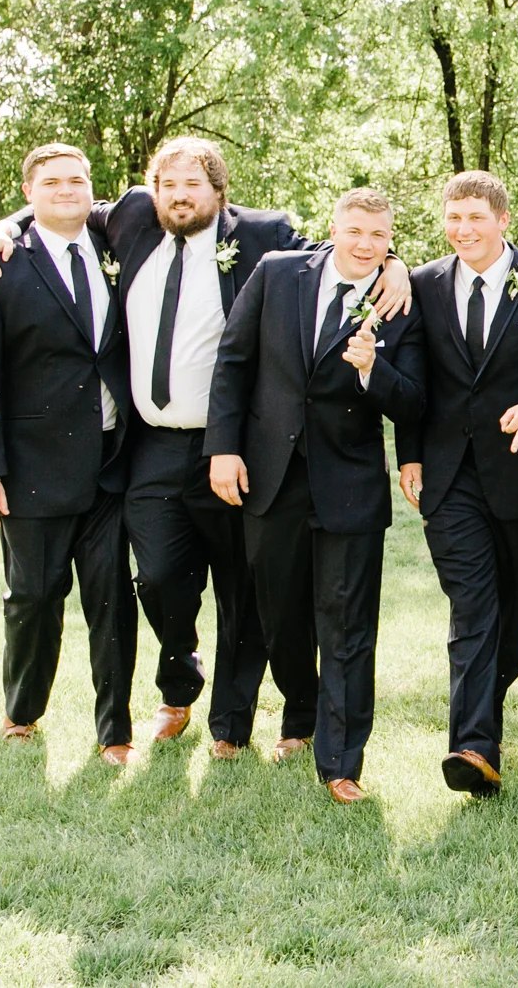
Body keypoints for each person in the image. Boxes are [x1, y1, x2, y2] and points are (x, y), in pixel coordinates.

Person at [0, 138, 411, 757]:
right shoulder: (129, 220)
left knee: (243, 588)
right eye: (167, 185)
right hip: (150, 445)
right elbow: (54, 208)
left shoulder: (263, 234)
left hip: (235, 446)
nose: (179, 196)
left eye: (193, 185)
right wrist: (0, 234)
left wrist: (398, 265)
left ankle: (231, 722)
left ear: (219, 193)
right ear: (151, 192)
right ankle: (179, 680)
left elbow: (345, 257)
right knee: (159, 577)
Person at [204, 188, 424, 802]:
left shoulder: (400, 302)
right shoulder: (277, 273)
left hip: (348, 482)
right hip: (269, 476)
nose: (365, 245)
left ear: (390, 240)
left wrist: (371, 371)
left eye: (379, 237)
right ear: (334, 228)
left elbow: (413, 399)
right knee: (280, 615)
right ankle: (299, 711)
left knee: (348, 624)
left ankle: (342, 761)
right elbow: (233, 360)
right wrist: (223, 447)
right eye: (355, 231)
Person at [395, 172, 518, 796]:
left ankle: (489, 705)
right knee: (472, 604)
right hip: (448, 477)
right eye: (454, 218)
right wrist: (411, 455)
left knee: (511, 605)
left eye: (476, 218)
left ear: (503, 220)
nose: (463, 230)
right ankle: (472, 746)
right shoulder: (421, 283)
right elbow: (414, 377)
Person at [0, 143, 138, 763]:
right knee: (33, 597)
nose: (66, 190)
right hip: (32, 471)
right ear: (28, 194)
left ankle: (115, 732)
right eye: (52, 182)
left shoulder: (115, 245)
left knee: (112, 602)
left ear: (91, 189)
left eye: (77, 181)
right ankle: (22, 712)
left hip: (112, 465)